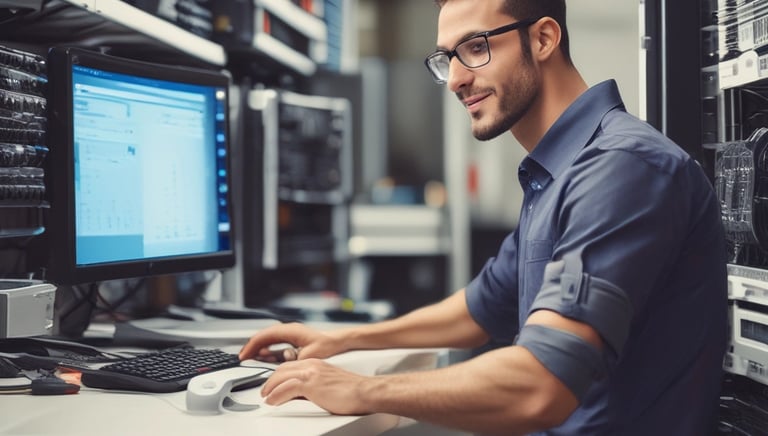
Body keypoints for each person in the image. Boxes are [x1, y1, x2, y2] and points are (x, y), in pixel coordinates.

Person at [239, 0, 729, 434]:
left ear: (542, 39)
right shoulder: (557, 173)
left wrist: (362, 389)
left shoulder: (622, 168)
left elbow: (542, 385)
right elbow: (480, 308)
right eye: (447, 58)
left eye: (475, 47)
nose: (455, 79)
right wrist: (340, 339)